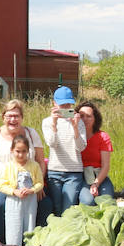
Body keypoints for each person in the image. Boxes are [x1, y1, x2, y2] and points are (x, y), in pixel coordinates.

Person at [0, 99, 49, 239]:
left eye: (16, 116)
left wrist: (39, 185)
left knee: (46, 204)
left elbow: (41, 161)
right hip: (4, 186)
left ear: (22, 118)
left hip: (29, 186)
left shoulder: (31, 134)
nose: (13, 119)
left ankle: (37, 243)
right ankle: (1, 244)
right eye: (9, 116)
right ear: (3, 117)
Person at [42, 86, 88, 217]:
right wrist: (54, 124)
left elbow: (81, 147)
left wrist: (75, 127)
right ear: (54, 103)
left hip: (73, 172)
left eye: (68, 104)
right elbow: (52, 143)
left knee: (68, 208)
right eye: (62, 105)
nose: (65, 108)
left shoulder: (78, 122)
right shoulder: (47, 122)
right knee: (56, 208)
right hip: (55, 171)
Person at [0, 135, 44, 246]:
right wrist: (14, 191)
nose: (20, 154)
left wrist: (32, 190)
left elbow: (39, 183)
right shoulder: (9, 166)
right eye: (17, 151)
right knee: (13, 225)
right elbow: (2, 185)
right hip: (14, 200)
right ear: (12, 151)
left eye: (24, 151)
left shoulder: (34, 165)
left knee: (29, 225)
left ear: (28, 151)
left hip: (30, 200)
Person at [76, 100, 114, 205]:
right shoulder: (74, 135)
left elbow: (106, 165)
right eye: (82, 116)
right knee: (88, 201)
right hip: (82, 177)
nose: (85, 119)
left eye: (89, 116)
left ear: (95, 118)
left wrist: (96, 184)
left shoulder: (103, 137)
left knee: (107, 203)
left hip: (100, 176)